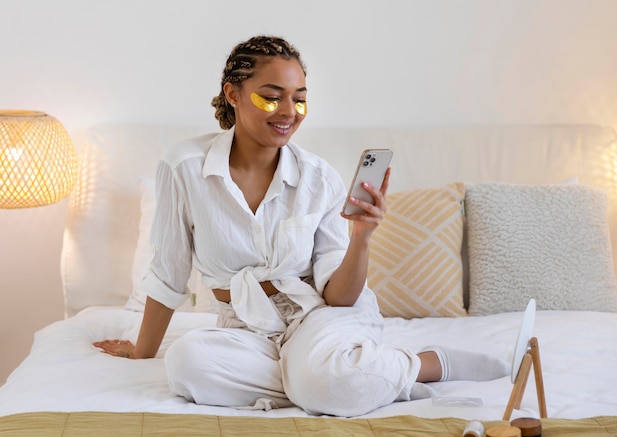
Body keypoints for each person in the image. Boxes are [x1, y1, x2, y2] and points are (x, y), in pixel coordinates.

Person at [94, 35, 508, 417]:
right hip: (245, 327)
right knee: (186, 363)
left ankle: (423, 365)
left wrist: (361, 240)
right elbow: (169, 271)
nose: (289, 113)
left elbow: (340, 297)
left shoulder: (319, 178)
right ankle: (332, 376)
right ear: (232, 94)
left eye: (300, 99)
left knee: (320, 378)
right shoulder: (184, 167)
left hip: (320, 316)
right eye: (272, 98)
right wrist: (142, 353)